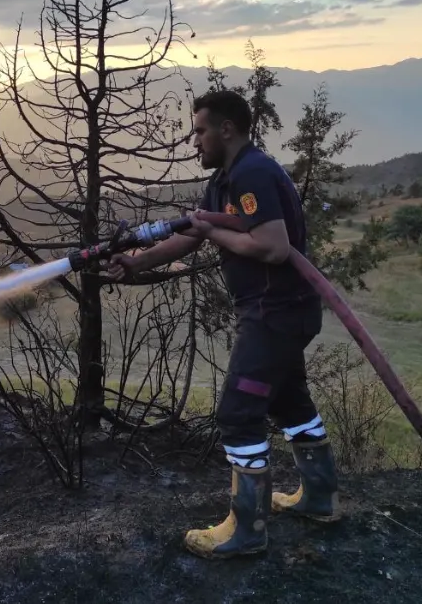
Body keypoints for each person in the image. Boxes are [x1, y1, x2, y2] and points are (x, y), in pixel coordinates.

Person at [106, 89, 341, 560]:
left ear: (226, 129)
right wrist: (138, 262)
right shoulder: (225, 180)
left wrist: (213, 230)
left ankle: (247, 530)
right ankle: (319, 498)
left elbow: (273, 246)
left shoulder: (251, 172)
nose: (194, 141)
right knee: (291, 401)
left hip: (273, 313)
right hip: (281, 311)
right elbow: (194, 234)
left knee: (238, 413)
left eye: (199, 131)